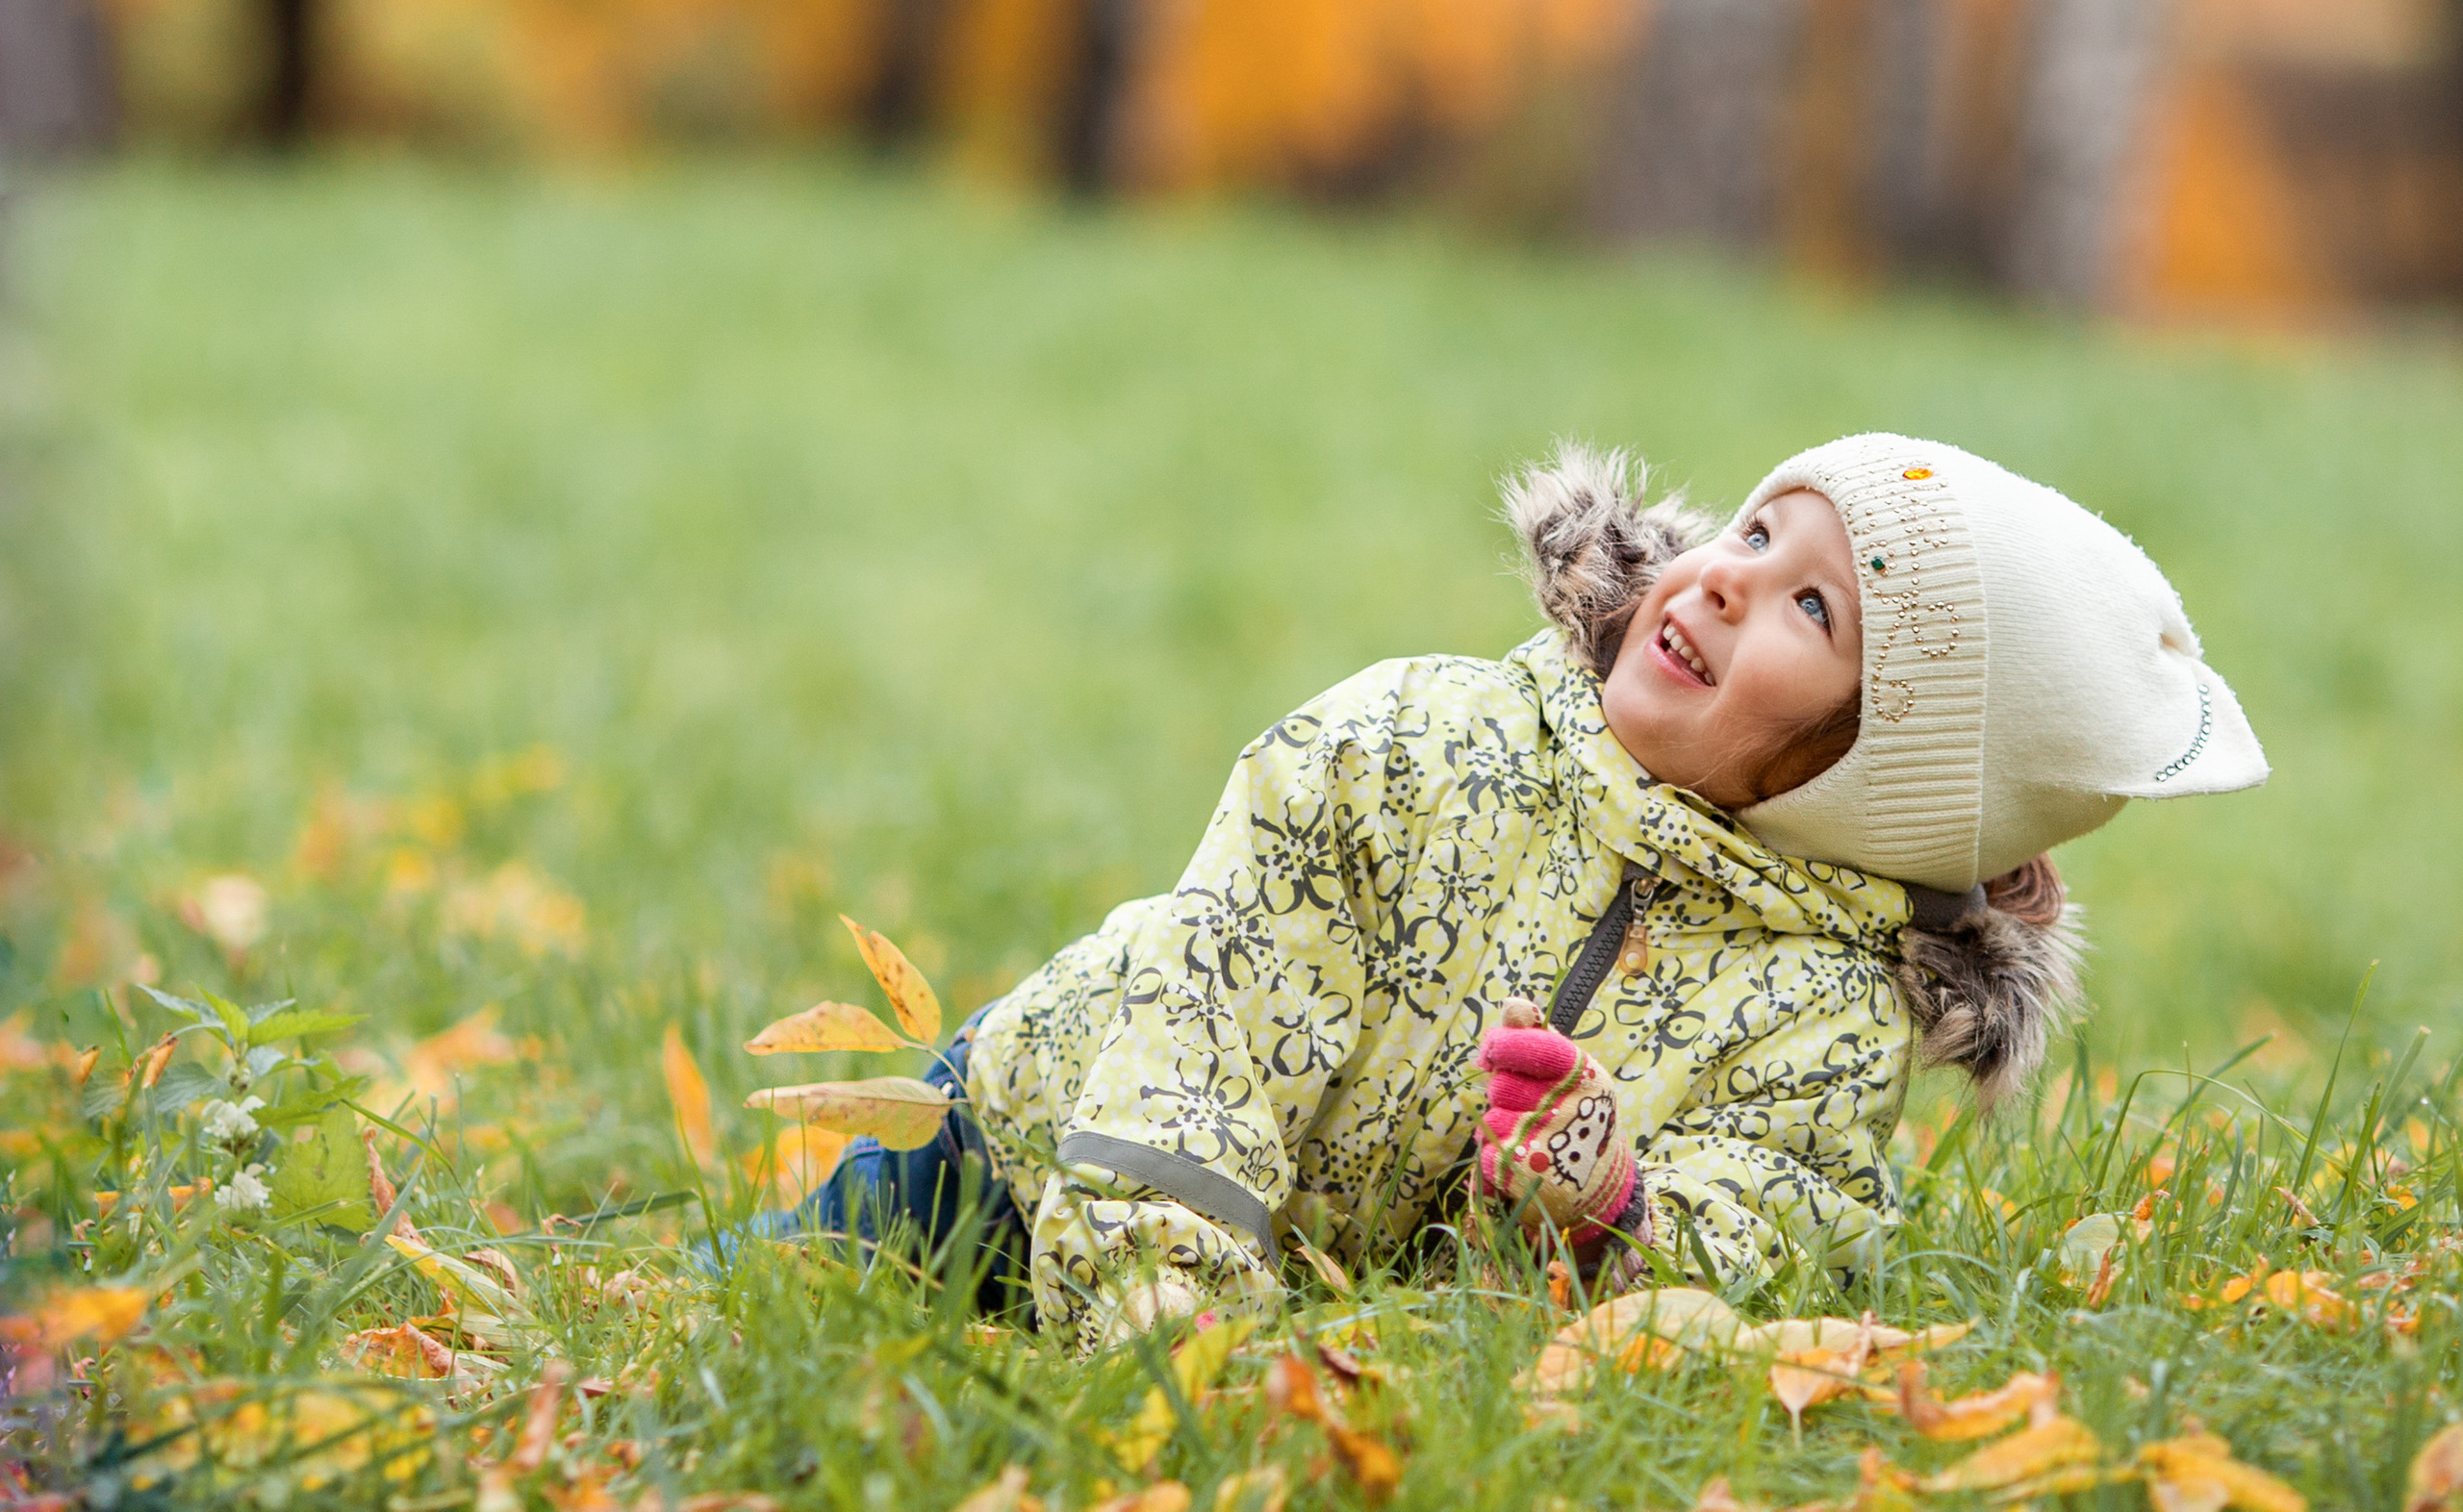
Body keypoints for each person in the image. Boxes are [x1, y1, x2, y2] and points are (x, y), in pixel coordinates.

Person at [748, 433, 2264, 1348]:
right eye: (1754, 532)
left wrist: (1614, 1211)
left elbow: (1774, 1237)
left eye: (1813, 604)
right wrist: (1179, 1343)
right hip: (1020, 1160)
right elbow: (1204, 1024)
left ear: (1897, 781)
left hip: (1314, 1300)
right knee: (762, 1335)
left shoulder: (1826, 1025)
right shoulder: (1406, 745)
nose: (1725, 578)